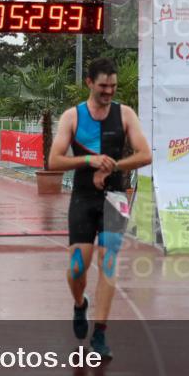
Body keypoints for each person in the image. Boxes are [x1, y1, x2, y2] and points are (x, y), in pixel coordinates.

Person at [48, 57, 152, 358]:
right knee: (77, 266)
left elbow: (145, 155)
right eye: (103, 86)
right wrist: (88, 160)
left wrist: (113, 165)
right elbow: (53, 161)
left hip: (115, 196)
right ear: (89, 83)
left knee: (108, 262)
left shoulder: (125, 114)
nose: (109, 91)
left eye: (113, 86)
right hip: (83, 196)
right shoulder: (73, 116)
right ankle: (80, 304)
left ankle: (101, 333)